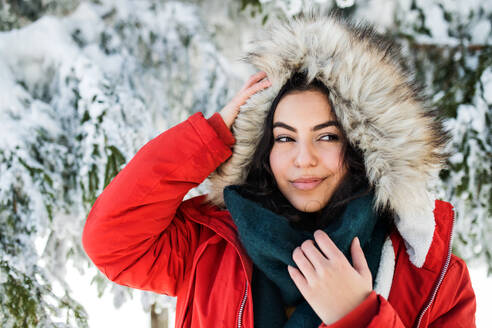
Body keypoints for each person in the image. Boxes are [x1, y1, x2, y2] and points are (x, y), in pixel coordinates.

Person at [82, 11, 476, 328]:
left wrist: (357, 315)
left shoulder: (434, 277)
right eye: (284, 138)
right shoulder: (209, 244)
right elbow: (112, 240)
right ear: (262, 150)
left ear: (362, 147)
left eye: (327, 137)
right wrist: (212, 135)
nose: (303, 159)